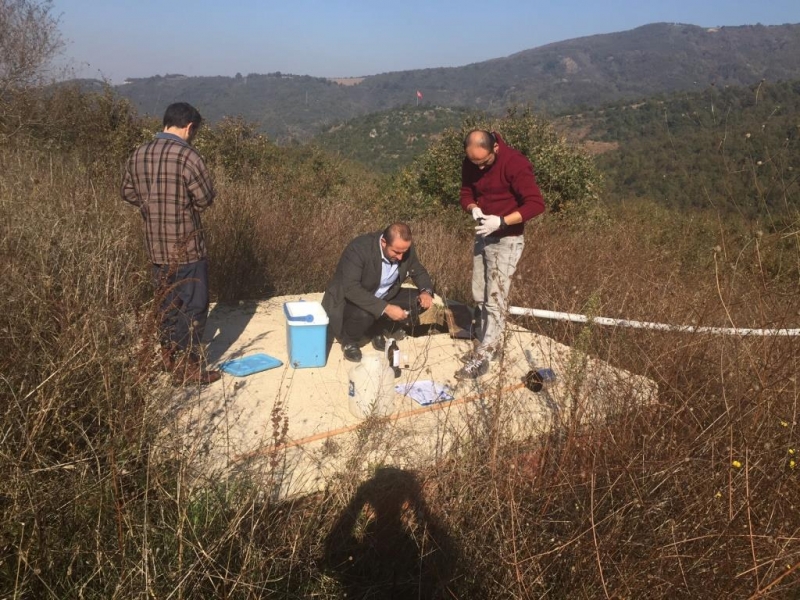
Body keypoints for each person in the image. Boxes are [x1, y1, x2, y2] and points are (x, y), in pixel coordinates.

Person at [121, 102, 221, 385]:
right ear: (189, 127)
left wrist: (150, 206)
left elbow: (127, 192)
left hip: (156, 248)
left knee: (166, 304)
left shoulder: (139, 154)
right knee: (193, 306)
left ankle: (167, 356)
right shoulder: (188, 157)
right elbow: (205, 199)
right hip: (187, 247)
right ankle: (186, 369)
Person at [455, 129, 545, 380]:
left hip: (507, 238)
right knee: (480, 293)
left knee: (496, 297)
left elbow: (536, 204)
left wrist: (503, 221)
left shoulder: (515, 163)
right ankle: (487, 341)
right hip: (484, 233)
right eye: (474, 163)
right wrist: (472, 208)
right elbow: (466, 193)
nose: (479, 169)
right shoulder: (471, 162)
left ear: (495, 148)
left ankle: (484, 354)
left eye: (483, 163)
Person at [322, 223, 435, 362]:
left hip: (385, 294)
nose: (400, 257)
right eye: (396, 252)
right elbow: (351, 288)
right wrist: (385, 308)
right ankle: (349, 341)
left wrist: (426, 292)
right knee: (365, 313)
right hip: (351, 300)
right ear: (383, 242)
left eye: (404, 252)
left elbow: (418, 271)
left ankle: (378, 330)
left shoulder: (404, 249)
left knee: (418, 300)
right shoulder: (359, 249)